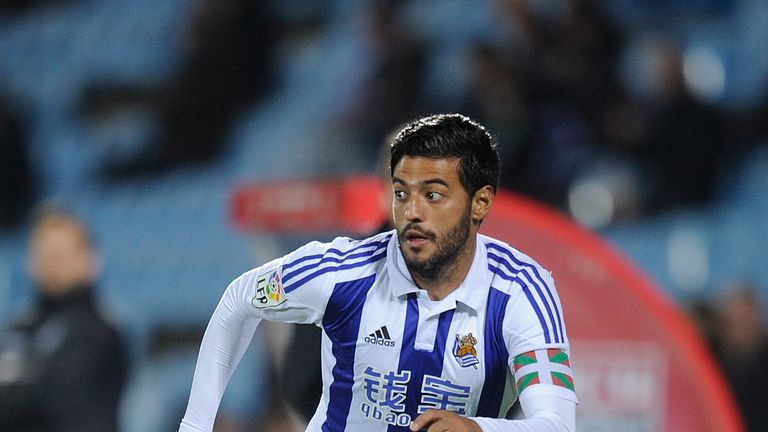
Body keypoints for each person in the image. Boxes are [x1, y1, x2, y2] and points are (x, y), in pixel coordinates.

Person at [179, 114, 577, 432]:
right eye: (401, 192)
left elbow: (557, 423)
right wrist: (195, 425)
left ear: (480, 203)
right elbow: (239, 299)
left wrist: (478, 429)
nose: (412, 212)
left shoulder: (522, 289)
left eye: (433, 195)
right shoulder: (341, 271)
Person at [0, 208, 128, 432]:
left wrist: (17, 382)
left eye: (60, 255)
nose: (52, 264)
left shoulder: (100, 329)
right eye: (45, 254)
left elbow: (62, 393)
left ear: (89, 259)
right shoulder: (18, 328)